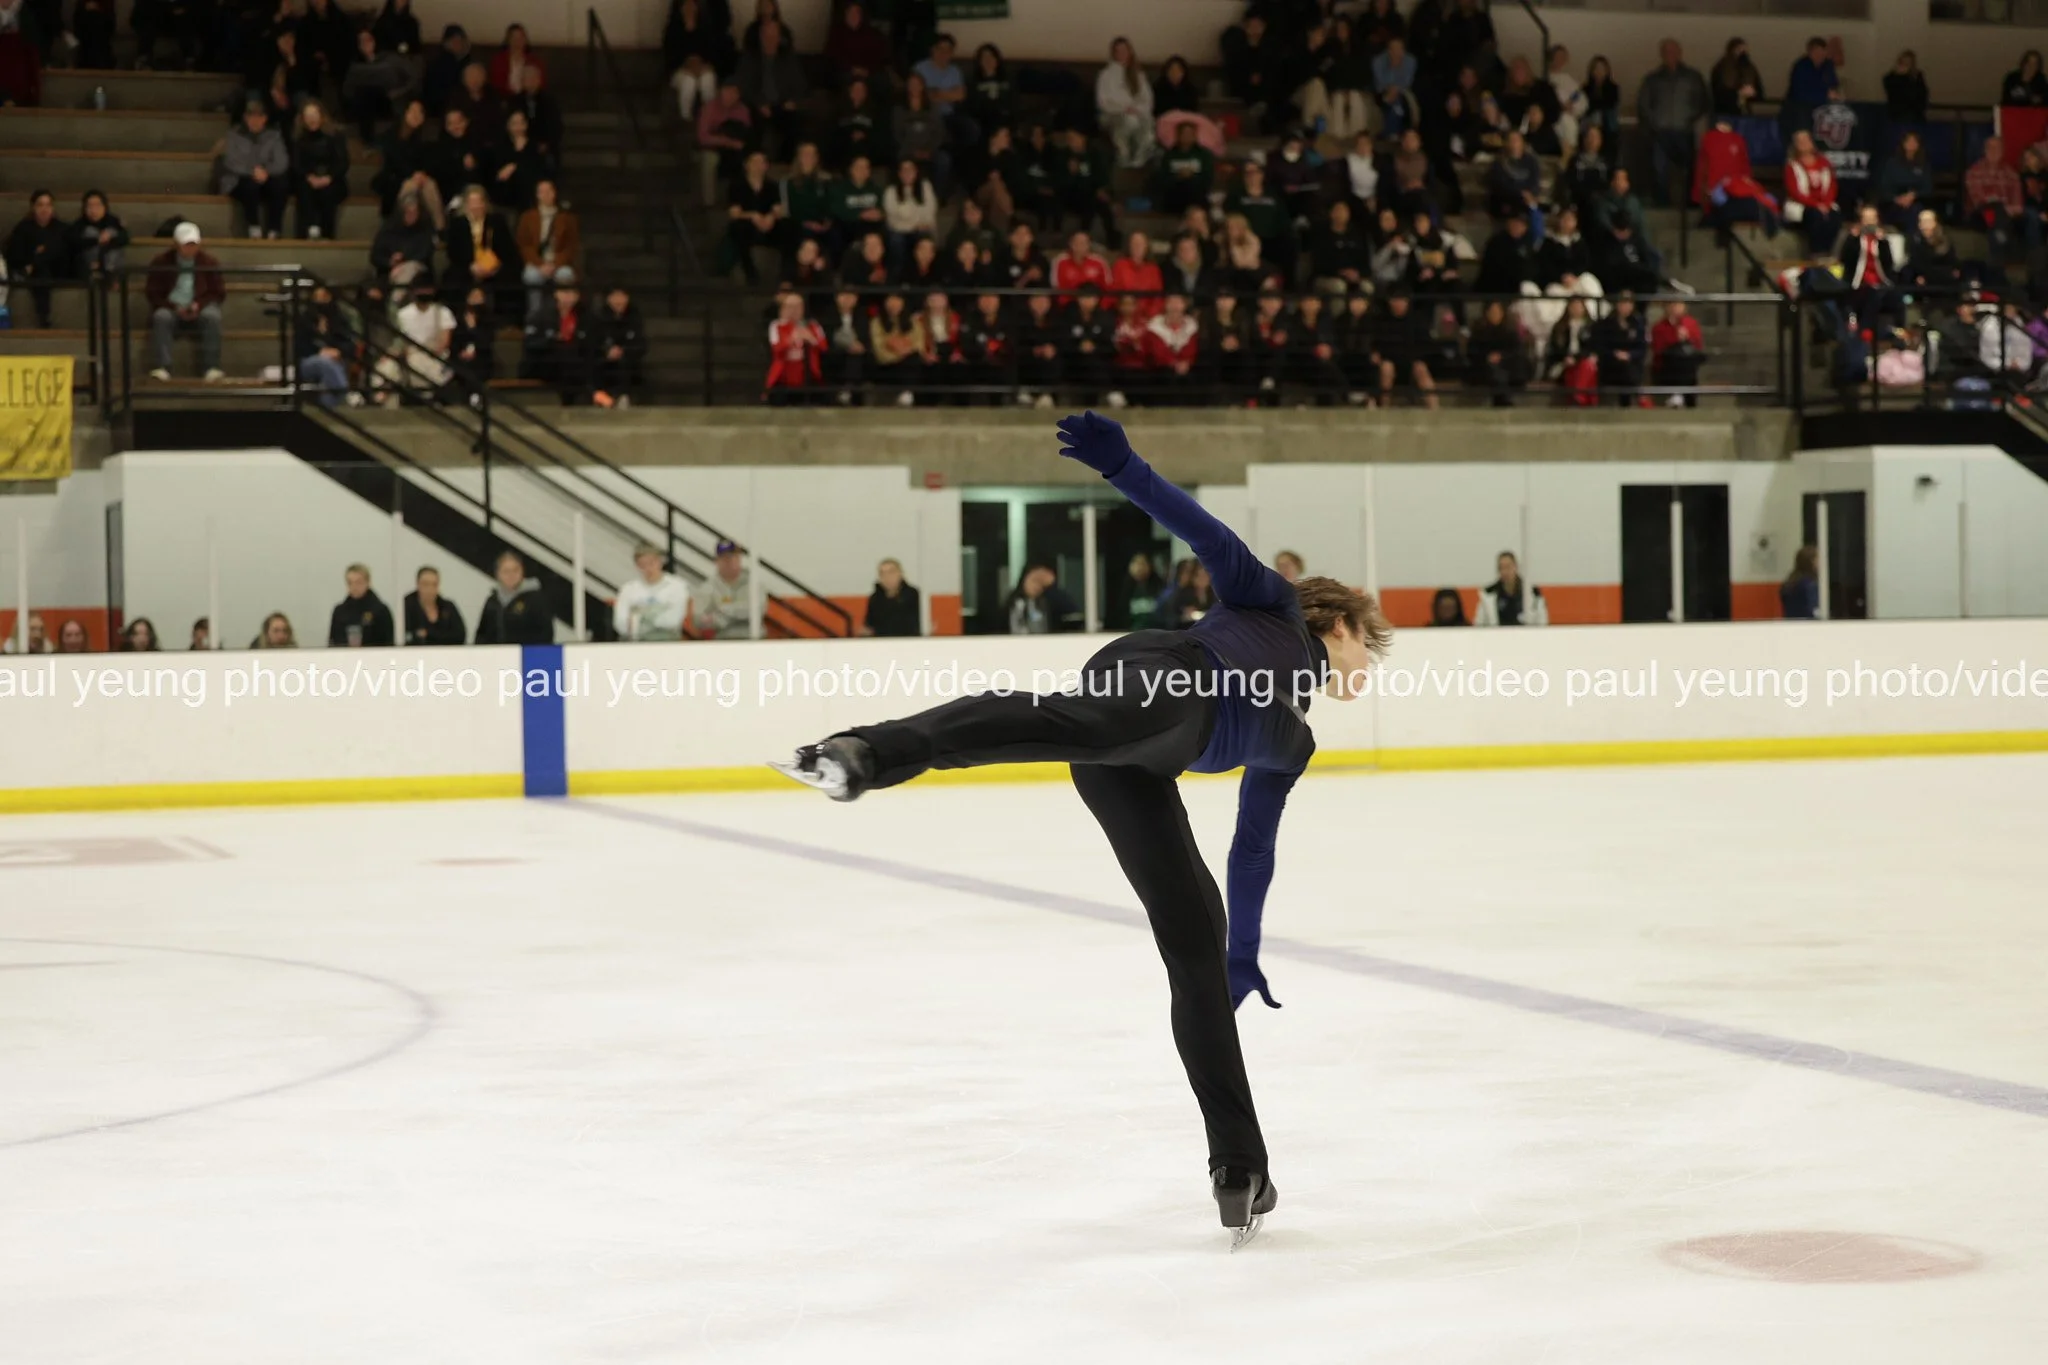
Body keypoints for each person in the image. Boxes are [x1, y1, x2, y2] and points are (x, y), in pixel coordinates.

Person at [771, 412, 1392, 1246]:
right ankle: (865, 752)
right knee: (1068, 723)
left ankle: (1240, 1165)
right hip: (1163, 676)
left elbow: (1253, 848)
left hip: (1138, 766)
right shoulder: (1274, 605)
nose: (1368, 668)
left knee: (1197, 945)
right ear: (1341, 623)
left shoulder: (1294, 742)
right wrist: (1124, 466)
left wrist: (1242, 949)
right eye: (1369, 648)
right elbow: (1205, 534)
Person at [144, 223, 225, 382]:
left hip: (199, 307)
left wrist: (198, 304)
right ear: (176, 244)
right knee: (161, 317)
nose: (190, 248)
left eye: (193, 244)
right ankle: (162, 367)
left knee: (212, 316)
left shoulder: (209, 262)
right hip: (171, 307)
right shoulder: (161, 262)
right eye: (186, 244)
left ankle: (211, 367)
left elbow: (218, 292)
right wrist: (173, 306)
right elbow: (153, 293)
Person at [1635, 39, 1708, 207]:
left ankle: (1691, 204)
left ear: (1680, 53)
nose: (1670, 55)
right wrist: (1653, 123)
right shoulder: (1652, 79)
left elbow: (1703, 102)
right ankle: (1662, 205)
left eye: (1673, 51)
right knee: (1659, 170)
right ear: (1661, 55)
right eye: (1666, 52)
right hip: (1660, 133)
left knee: (1692, 169)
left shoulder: (1693, 77)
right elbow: (1643, 104)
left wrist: (1691, 118)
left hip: (1685, 131)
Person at [736, 16, 806, 162]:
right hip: (757, 104)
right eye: (767, 35)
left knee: (795, 124)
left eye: (774, 36)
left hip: (782, 105)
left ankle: (784, 165)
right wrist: (759, 103)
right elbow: (744, 86)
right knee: (753, 124)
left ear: (779, 38)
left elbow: (800, 85)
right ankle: (756, 164)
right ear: (761, 37)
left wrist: (793, 100)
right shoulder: (750, 57)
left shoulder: (788, 58)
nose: (770, 39)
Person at [220, 102, 292, 238]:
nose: (255, 121)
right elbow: (230, 161)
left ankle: (274, 230)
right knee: (249, 186)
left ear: (265, 118)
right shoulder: (233, 135)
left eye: (259, 117)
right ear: (245, 118)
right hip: (239, 179)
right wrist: (252, 171)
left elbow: (282, 161)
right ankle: (254, 227)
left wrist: (266, 171)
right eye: (251, 117)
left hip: (266, 177)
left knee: (280, 185)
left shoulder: (274, 136)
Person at [444, 184, 517, 315]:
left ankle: (504, 320)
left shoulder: (497, 221)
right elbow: (453, 252)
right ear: (466, 205)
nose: (476, 206)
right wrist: (470, 266)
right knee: (452, 277)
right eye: (472, 203)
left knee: (509, 276)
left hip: (493, 267)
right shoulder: (457, 223)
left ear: (485, 203)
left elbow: (507, 248)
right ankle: (460, 317)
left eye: (479, 202)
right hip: (467, 267)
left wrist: (494, 267)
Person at [515, 179, 581, 319]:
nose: (545, 195)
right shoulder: (527, 217)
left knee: (565, 275)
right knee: (531, 276)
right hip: (537, 262)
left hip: (559, 263)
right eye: (542, 192)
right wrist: (540, 264)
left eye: (549, 191)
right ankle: (534, 317)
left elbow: (571, 245)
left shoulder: (566, 217)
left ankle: (563, 317)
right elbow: (524, 245)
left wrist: (555, 264)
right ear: (537, 195)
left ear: (554, 193)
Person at [5, 189, 67, 328]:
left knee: (48, 255)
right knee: (41, 270)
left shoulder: (61, 228)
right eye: (40, 205)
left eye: (48, 205)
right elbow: (14, 254)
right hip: (37, 273)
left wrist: (39, 256)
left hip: (58, 269)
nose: (44, 209)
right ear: (33, 207)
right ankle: (44, 319)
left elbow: (66, 252)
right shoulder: (23, 228)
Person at [291, 100, 350, 240]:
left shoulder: (336, 135)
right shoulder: (298, 138)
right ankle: (306, 233)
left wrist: (328, 177)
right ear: (302, 119)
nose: (312, 119)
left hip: (332, 179)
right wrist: (309, 176)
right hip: (307, 179)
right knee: (304, 191)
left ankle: (327, 235)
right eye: (308, 116)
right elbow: (296, 163)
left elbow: (343, 162)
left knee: (328, 193)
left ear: (322, 116)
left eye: (314, 115)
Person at [666, 0, 733, 122]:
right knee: (689, 82)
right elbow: (671, 56)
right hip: (682, 70)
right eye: (686, 6)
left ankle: (710, 119)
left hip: (703, 67)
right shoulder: (673, 30)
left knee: (708, 79)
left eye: (692, 6)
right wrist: (687, 63)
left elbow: (711, 51)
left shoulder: (706, 28)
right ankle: (685, 119)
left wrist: (704, 65)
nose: (689, 9)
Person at [1097, 36, 1156, 170]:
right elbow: (1103, 102)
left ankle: (1140, 156)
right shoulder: (1105, 75)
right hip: (1113, 115)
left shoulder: (1138, 75)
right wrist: (1124, 108)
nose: (1121, 54)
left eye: (1124, 50)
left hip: (1137, 113)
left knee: (1147, 124)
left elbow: (1147, 100)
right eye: (1118, 51)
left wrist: (1137, 109)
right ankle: (1123, 154)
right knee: (1130, 121)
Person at [1965, 136, 2025, 263]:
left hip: (2006, 215)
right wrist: (2000, 205)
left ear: (2002, 151)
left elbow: (2017, 203)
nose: (1994, 151)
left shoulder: (2011, 173)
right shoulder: (1974, 172)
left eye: (1997, 148)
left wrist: (2007, 208)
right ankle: (2007, 246)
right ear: (1984, 150)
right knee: (1994, 209)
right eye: (1990, 148)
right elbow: (1978, 200)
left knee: (1999, 216)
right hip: (1979, 214)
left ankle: (1999, 245)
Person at [614, 543, 691, 641]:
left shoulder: (677, 586)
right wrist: (654, 617)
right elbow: (620, 623)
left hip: (668, 642)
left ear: (661, 561)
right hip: (636, 642)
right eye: (642, 565)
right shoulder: (628, 589)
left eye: (651, 563)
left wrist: (641, 619)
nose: (648, 568)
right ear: (637, 566)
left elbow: (673, 620)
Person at [1783, 129, 1841, 258]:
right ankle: (1816, 253)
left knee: (1834, 215)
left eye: (1806, 140)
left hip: (1824, 203)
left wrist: (1826, 204)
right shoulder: (1792, 165)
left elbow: (1832, 186)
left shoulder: (1824, 163)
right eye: (1800, 141)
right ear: (1795, 145)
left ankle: (1827, 252)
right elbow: (1794, 192)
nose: (1804, 143)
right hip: (1802, 204)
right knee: (1815, 216)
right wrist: (1815, 205)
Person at [474, 551, 552, 644]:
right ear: (498, 574)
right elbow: (481, 634)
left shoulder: (536, 599)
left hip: (526, 652)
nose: (511, 575)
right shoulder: (492, 601)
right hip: (496, 653)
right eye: (506, 571)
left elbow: (545, 634)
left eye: (515, 570)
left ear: (522, 571)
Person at [1590, 290, 1647, 406]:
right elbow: (1600, 347)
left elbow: (1642, 349)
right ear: (1617, 304)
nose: (1626, 306)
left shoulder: (1638, 324)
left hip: (1631, 363)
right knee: (1625, 368)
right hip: (1610, 364)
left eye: (1629, 303)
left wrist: (1629, 355)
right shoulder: (1606, 324)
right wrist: (1614, 353)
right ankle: (1640, 396)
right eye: (1623, 303)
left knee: (1628, 367)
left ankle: (1631, 400)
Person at [691, 540, 752, 639]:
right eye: (723, 558)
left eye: (731, 557)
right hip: (722, 641)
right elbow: (698, 620)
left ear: (739, 559)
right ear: (716, 561)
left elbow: (756, 611)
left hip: (753, 640)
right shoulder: (707, 587)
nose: (727, 562)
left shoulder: (753, 583)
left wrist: (722, 612)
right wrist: (737, 614)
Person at [1650, 299, 1705, 408]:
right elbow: (1658, 350)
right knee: (1676, 359)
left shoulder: (1691, 323)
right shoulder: (1659, 327)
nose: (1676, 308)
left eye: (1679, 304)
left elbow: (1698, 346)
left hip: (1688, 365)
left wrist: (1687, 338)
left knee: (1687, 364)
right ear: (1667, 307)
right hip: (1667, 367)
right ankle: (1677, 395)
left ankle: (1682, 397)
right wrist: (1676, 339)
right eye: (1673, 304)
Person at [1472, 550, 1547, 626]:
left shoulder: (1534, 594)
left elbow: (1542, 624)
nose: (1504, 572)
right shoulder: (1488, 594)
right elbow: (1479, 625)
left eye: (1508, 567)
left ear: (1516, 567)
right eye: (1501, 568)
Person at [328, 564, 396, 647]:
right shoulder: (339, 611)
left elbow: (388, 644)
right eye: (350, 583)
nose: (354, 587)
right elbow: (332, 642)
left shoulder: (381, 611)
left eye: (358, 582)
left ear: (368, 583)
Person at [68, 189, 127, 280]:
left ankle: (108, 272)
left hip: (111, 263)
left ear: (104, 207)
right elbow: (74, 241)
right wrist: (97, 240)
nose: (94, 210)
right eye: (90, 206)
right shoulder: (80, 224)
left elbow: (125, 238)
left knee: (112, 232)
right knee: (90, 232)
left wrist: (108, 238)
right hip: (90, 265)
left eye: (97, 206)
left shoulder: (113, 221)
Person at [1004, 562, 1080, 633]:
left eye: (1042, 583)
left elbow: (1072, 615)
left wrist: (1052, 588)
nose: (1037, 586)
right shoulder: (1012, 602)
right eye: (1035, 580)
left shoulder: (1051, 602)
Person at [405, 565, 467, 645]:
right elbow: (408, 636)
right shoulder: (406, 606)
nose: (430, 589)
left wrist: (428, 634)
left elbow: (460, 636)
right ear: (417, 584)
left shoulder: (447, 607)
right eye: (426, 584)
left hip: (446, 652)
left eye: (434, 584)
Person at [862, 558, 922, 637]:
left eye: (891, 572)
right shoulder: (875, 599)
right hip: (881, 641)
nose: (887, 577)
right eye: (882, 574)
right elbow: (869, 625)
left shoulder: (914, 595)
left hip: (910, 641)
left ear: (900, 574)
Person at [1709, 37, 1760, 117]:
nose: (1743, 52)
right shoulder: (1722, 67)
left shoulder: (1750, 68)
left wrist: (1753, 92)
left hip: (1745, 111)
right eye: (1739, 49)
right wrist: (1739, 93)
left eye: (1744, 49)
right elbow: (1718, 92)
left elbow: (1759, 90)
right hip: (1725, 112)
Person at [1885, 51, 1928, 123]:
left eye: (1908, 63)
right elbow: (1892, 92)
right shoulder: (1891, 77)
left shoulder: (1917, 77)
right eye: (1903, 62)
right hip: (1897, 115)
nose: (1905, 65)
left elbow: (1920, 95)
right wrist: (1900, 76)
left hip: (1915, 115)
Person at [1781, 545, 1821, 619]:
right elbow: (1813, 610)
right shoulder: (1810, 585)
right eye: (1818, 559)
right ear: (1812, 561)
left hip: (1790, 623)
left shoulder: (1790, 582)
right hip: (1807, 623)